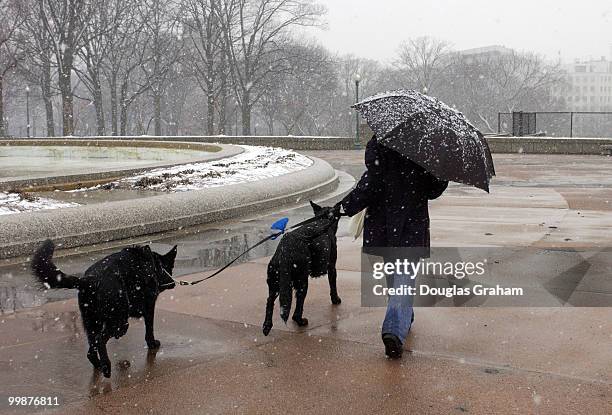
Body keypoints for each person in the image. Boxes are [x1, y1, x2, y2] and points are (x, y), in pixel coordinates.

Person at [335, 135, 448, 358]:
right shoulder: (423, 146)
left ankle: (400, 318)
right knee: (404, 277)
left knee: (394, 278)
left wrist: (341, 208)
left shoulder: (380, 144)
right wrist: (440, 171)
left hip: (384, 225)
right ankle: (394, 329)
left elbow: (368, 187)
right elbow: (433, 190)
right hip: (411, 224)